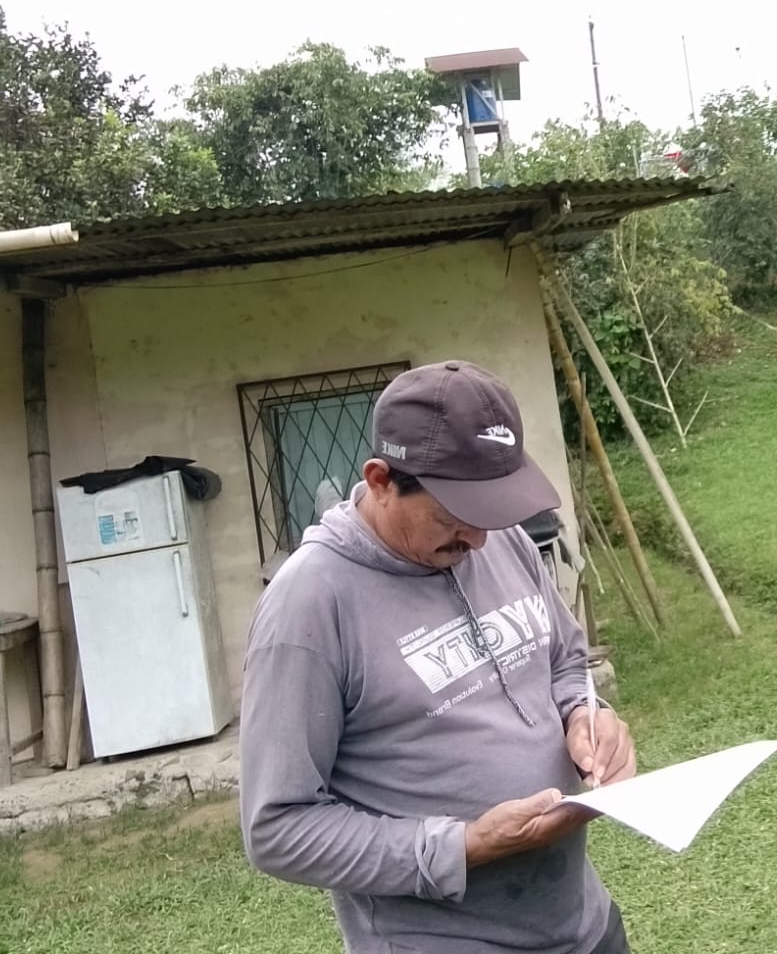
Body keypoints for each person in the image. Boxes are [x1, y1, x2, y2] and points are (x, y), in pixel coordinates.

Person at [240, 360, 636, 954]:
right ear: (380, 480)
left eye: (490, 514)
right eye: (454, 518)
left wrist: (584, 714)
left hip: (585, 927)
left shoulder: (499, 538)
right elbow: (277, 828)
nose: (479, 540)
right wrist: (461, 848)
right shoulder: (309, 607)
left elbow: (564, 661)